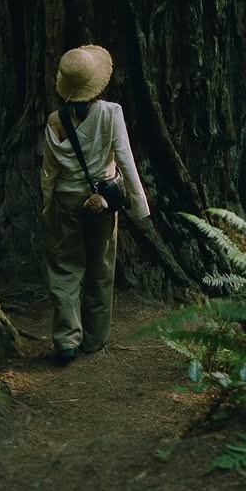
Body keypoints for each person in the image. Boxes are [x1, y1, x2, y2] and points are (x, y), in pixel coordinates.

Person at [40, 44, 150, 366]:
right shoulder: (110, 113)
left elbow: (49, 171)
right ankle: (95, 339)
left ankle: (66, 341)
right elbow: (126, 161)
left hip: (64, 200)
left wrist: (47, 205)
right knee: (100, 268)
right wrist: (139, 206)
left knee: (64, 269)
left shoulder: (54, 121)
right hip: (100, 202)